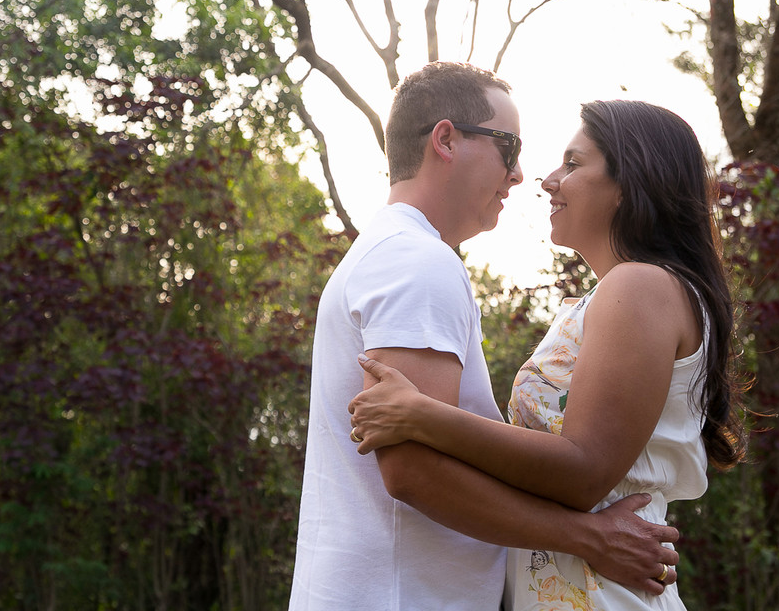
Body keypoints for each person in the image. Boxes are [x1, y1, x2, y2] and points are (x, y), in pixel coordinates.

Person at [289, 68, 682, 611]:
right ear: (445, 139)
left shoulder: (399, 253)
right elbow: (412, 472)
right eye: (508, 146)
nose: (522, 174)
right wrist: (587, 537)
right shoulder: (416, 261)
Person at [348, 99, 747, 610]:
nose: (547, 179)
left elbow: (583, 473)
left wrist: (425, 417)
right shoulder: (611, 298)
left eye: (574, 164)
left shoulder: (641, 287)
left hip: (604, 592)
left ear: (631, 182)